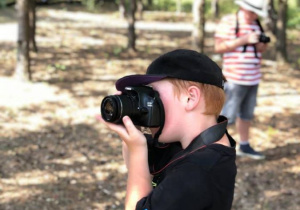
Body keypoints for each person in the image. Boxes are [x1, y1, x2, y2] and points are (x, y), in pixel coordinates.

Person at [99, 49, 236, 210]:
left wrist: (137, 151)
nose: (148, 104)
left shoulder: (198, 170)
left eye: (153, 94)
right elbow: (141, 173)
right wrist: (129, 124)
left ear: (190, 98)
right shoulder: (185, 142)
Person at [214, 0, 269, 160]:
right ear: (243, 7)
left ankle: (244, 145)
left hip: (253, 78)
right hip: (234, 78)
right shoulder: (228, 21)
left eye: (257, 12)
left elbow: (260, 49)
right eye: (252, 11)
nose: (254, 15)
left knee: (247, 114)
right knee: (226, 116)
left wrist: (261, 45)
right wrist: (244, 40)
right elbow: (219, 47)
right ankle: (216, 148)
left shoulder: (256, 23)